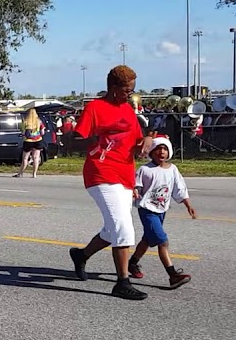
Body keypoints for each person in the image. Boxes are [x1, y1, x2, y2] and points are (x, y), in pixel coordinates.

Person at [68, 65, 151, 301]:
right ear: (113, 87)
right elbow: (75, 140)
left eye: (132, 90)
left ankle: (82, 255)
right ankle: (122, 283)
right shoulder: (95, 107)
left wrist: (147, 139)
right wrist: (99, 139)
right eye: (126, 90)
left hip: (125, 174)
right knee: (123, 227)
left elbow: (136, 142)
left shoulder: (127, 110)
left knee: (111, 229)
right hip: (101, 172)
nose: (130, 94)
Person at [127, 136, 195, 288]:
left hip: (161, 210)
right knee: (162, 242)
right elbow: (135, 185)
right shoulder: (145, 170)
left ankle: (132, 263)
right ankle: (173, 275)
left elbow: (180, 188)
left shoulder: (172, 169)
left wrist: (188, 204)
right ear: (151, 152)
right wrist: (135, 191)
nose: (161, 152)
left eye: (164, 149)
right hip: (147, 210)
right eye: (158, 149)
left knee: (147, 240)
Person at [14, 108, 46, 178]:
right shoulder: (39, 121)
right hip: (38, 140)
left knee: (25, 158)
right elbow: (42, 132)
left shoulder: (25, 122)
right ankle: (34, 174)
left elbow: (23, 132)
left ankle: (20, 173)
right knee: (36, 158)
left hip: (28, 141)